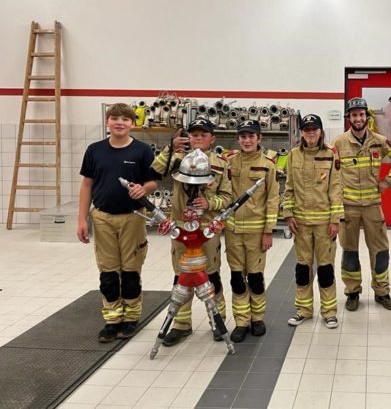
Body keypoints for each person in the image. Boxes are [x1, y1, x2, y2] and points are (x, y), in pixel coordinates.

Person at [77, 102, 158, 342]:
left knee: (131, 270)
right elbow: (87, 185)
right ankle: (112, 319)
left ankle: (131, 318)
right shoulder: (94, 150)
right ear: (107, 122)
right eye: (115, 118)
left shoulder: (142, 151)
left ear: (133, 123)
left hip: (133, 218)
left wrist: (143, 189)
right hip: (102, 218)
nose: (120, 123)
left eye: (125, 119)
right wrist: (82, 219)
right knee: (108, 272)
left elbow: (153, 182)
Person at [150, 117, 233, 346]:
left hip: (207, 230)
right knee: (181, 277)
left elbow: (227, 197)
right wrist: (170, 147)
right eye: (194, 134)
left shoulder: (221, 164)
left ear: (212, 138)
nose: (198, 138)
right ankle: (181, 324)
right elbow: (155, 170)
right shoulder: (178, 158)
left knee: (212, 276)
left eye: (203, 135)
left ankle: (217, 321)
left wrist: (210, 203)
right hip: (180, 229)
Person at [332, 97, 391, 312]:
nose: (358, 118)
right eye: (354, 115)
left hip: (373, 205)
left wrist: (388, 182)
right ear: (349, 118)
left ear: (366, 117)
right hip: (348, 206)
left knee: (380, 250)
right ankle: (353, 292)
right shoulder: (338, 143)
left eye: (361, 114)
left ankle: (382, 292)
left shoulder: (379, 141)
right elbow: (330, 171)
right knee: (349, 251)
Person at [283, 114, 343, 328]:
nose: (310, 133)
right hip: (301, 222)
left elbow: (336, 188)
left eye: (314, 129)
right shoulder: (293, 155)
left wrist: (335, 220)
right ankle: (304, 310)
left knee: (325, 269)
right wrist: (288, 214)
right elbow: (289, 187)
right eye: (306, 129)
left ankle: (329, 312)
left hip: (324, 223)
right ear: (301, 132)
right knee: (303, 269)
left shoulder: (330, 154)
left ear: (320, 131)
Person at [224, 119, 280, 342]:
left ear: (259, 138)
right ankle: (241, 321)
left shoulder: (268, 165)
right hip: (233, 231)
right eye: (243, 136)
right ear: (238, 139)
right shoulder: (229, 162)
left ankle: (257, 318)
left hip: (257, 232)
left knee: (255, 278)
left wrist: (268, 231)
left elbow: (273, 199)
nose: (247, 140)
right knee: (237, 278)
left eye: (251, 136)